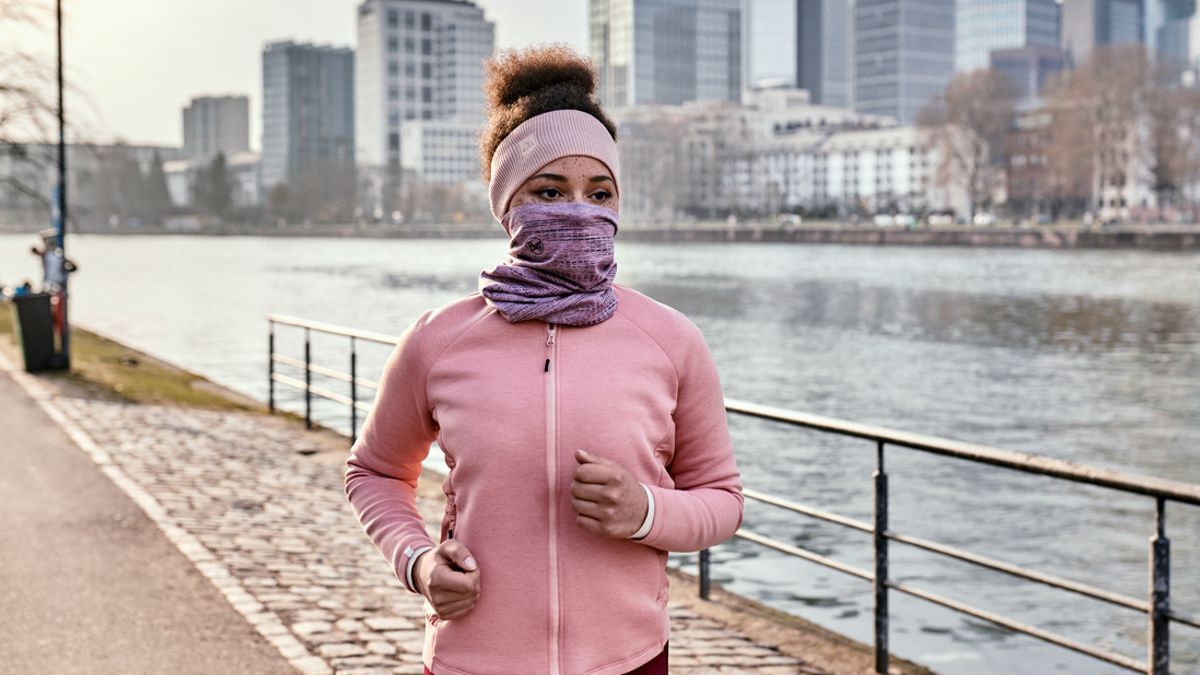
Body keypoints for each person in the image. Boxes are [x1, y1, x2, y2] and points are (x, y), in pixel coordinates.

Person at [345, 44, 743, 675]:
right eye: (550, 191)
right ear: (508, 205)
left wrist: (646, 513)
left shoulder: (672, 340)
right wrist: (418, 562)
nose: (579, 210)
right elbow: (374, 473)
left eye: (600, 192)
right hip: (471, 662)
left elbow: (722, 501)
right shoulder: (437, 340)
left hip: (630, 661)